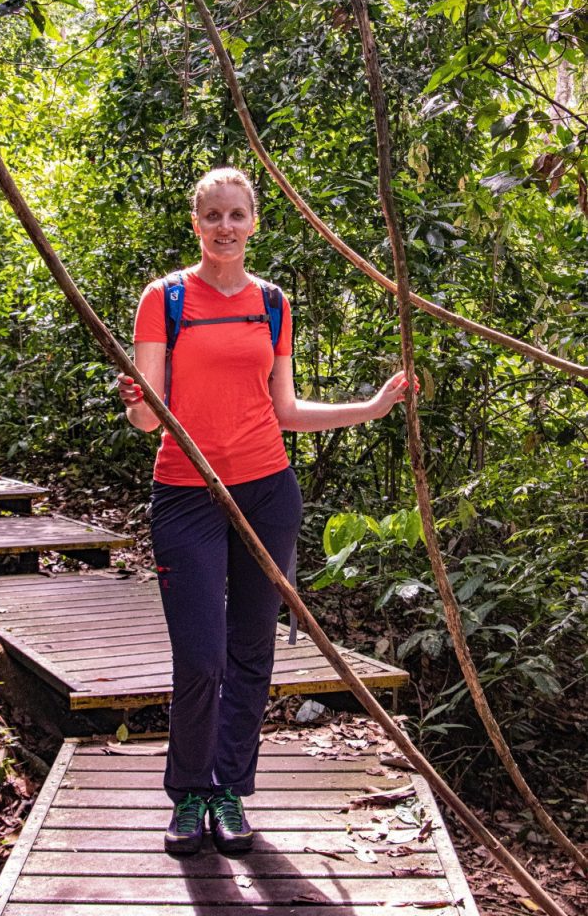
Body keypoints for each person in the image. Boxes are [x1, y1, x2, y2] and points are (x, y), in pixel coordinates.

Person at [118, 167, 419, 856]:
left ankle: (229, 791)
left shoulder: (274, 303)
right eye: (213, 215)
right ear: (196, 223)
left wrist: (371, 407)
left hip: (267, 491)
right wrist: (136, 401)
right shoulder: (163, 299)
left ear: (254, 223)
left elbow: (284, 411)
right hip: (187, 494)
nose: (226, 226)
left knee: (251, 651)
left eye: (238, 215)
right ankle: (189, 792)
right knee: (200, 656)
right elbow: (146, 418)